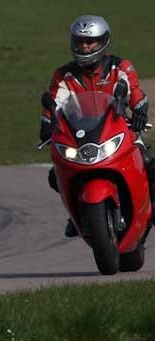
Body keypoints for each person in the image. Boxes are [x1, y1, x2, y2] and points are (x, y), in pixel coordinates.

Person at [39, 15, 153, 237]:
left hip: (119, 131)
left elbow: (135, 92)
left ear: (103, 42)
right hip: (80, 136)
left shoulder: (120, 67)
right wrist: (46, 123)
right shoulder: (64, 75)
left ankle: (151, 208)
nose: (84, 46)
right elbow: (54, 102)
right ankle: (78, 215)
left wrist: (139, 110)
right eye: (79, 41)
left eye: (90, 41)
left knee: (148, 164)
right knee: (56, 174)